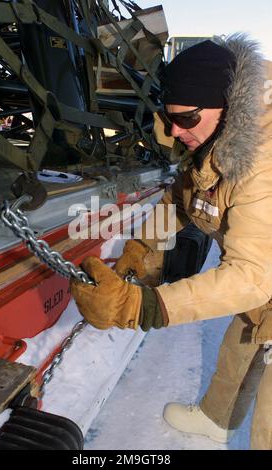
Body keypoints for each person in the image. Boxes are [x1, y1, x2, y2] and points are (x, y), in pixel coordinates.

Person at [71, 34, 272, 450]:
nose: (177, 131)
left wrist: (144, 306)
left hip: (262, 273)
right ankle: (217, 421)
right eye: (170, 118)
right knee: (243, 340)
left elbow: (252, 276)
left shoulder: (261, 163)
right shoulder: (208, 143)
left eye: (188, 119)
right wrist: (142, 248)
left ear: (229, 108)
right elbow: (181, 201)